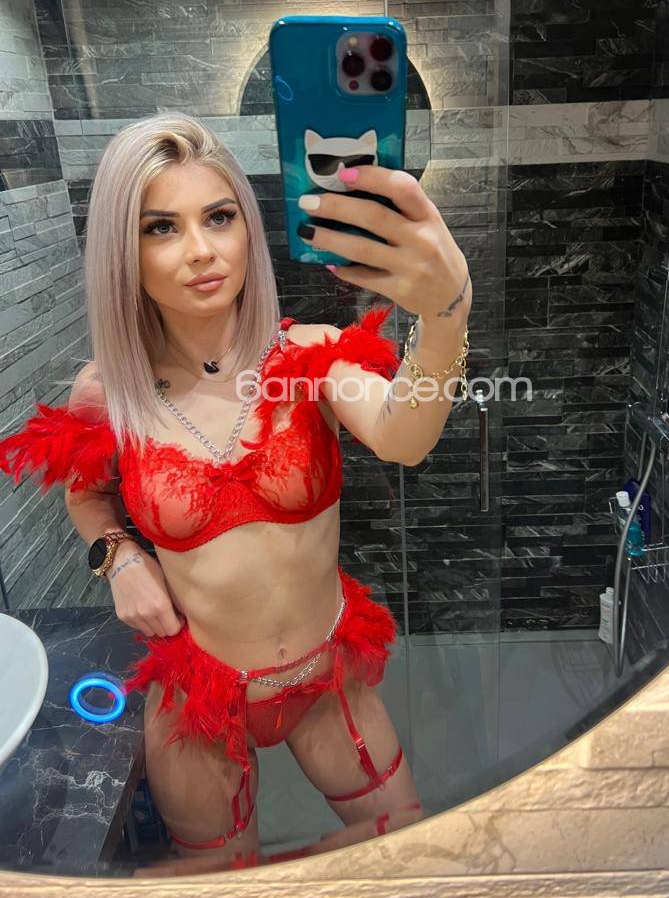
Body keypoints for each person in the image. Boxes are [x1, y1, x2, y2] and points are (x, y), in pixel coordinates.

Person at [0, 112, 473, 863]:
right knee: (222, 878)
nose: (201, 250)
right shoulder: (110, 393)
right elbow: (85, 493)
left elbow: (405, 437)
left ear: (247, 227)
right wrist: (119, 558)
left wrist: (447, 313)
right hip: (199, 700)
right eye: (161, 227)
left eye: (219, 217)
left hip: (325, 681)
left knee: (406, 848)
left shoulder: (309, 355)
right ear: (123, 251)